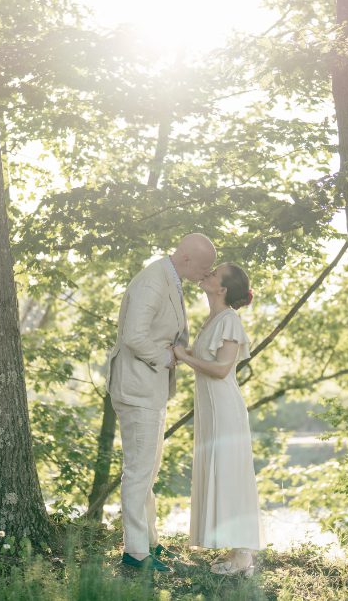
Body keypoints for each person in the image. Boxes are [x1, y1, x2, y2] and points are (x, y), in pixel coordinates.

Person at [105, 233, 216, 572]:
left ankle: (150, 542)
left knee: (148, 470)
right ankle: (136, 554)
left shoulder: (170, 277)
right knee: (138, 472)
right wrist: (167, 359)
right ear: (186, 259)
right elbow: (133, 336)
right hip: (137, 388)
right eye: (204, 267)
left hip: (149, 389)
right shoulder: (153, 282)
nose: (206, 274)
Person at [173, 262, 263, 577]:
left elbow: (222, 369)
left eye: (214, 274)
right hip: (211, 410)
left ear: (222, 289)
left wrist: (184, 357)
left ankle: (243, 558)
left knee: (231, 473)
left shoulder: (230, 321)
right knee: (220, 472)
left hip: (225, 408)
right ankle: (236, 552)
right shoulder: (213, 319)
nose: (208, 273)